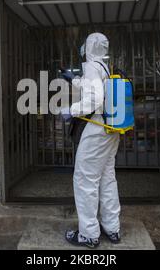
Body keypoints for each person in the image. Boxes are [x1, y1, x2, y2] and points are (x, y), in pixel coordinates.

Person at [60, 32, 121, 248]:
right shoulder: (105, 66)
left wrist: (71, 110)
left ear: (90, 46)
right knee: (106, 178)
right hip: (111, 129)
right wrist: (74, 79)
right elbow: (94, 88)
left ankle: (88, 234)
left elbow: (95, 98)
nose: (82, 48)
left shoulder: (92, 66)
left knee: (85, 180)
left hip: (97, 129)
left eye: (85, 44)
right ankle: (112, 228)